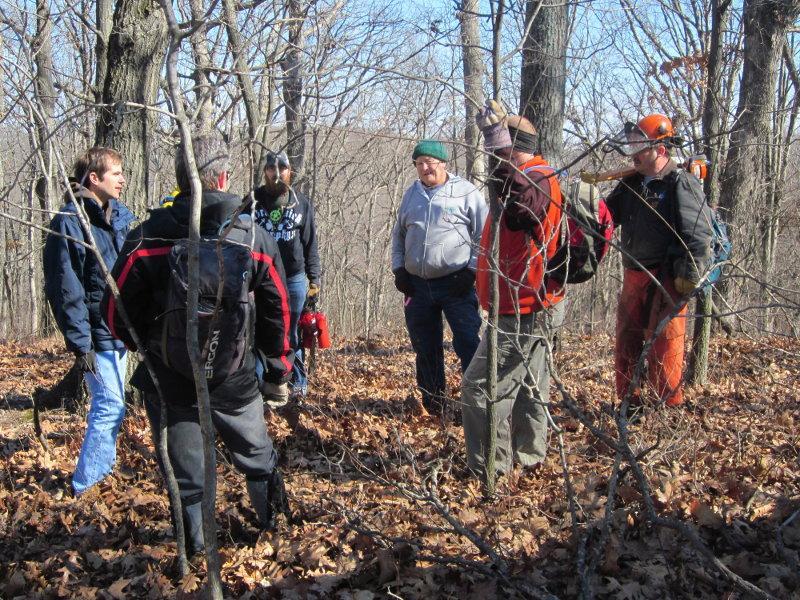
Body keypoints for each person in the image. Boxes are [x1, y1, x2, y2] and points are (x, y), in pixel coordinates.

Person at [102, 135, 294, 556]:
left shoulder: (147, 236)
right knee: (256, 453)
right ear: (223, 177)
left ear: (180, 179)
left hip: (170, 377)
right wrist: (278, 367)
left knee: (189, 473)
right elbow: (279, 308)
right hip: (234, 373)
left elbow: (115, 312)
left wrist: (148, 346)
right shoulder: (253, 237)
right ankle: (276, 530)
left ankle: (198, 552)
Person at [461, 102, 565, 477]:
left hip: (524, 306)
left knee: (479, 390)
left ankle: (490, 470)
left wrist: (499, 149)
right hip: (526, 303)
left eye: (503, 143)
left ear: (514, 144)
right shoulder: (522, 175)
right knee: (529, 387)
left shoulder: (538, 176)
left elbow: (525, 209)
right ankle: (529, 459)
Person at [43, 147, 135, 498]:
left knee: (114, 406)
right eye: (115, 173)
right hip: (96, 337)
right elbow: (66, 289)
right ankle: (86, 485)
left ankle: (100, 474)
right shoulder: (69, 221)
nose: (123, 179)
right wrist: (81, 345)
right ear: (94, 179)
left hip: (121, 332)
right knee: (110, 405)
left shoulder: (123, 217)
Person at [605, 114, 713, 406]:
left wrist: (688, 276)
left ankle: (667, 410)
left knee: (666, 345)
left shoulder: (682, 183)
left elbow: (699, 234)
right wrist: (585, 202)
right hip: (634, 272)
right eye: (634, 146)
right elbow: (606, 217)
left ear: (661, 150)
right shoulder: (631, 183)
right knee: (626, 341)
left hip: (667, 277)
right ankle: (630, 404)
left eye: (641, 147)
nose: (634, 154)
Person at [391, 140, 488, 416]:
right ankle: (434, 404)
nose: (424, 168)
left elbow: (484, 236)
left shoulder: (466, 193)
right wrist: (399, 269)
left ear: (443, 163)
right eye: (419, 163)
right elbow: (398, 235)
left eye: (429, 162)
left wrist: (471, 271)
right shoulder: (411, 195)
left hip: (456, 283)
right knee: (425, 345)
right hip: (417, 286)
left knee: (468, 341)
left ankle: (477, 404)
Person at [251, 151, 321, 400]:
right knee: (261, 331)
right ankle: (260, 384)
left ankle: (298, 383)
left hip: (293, 279)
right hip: (260, 279)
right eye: (271, 167)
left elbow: (310, 243)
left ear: (290, 171)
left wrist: (315, 280)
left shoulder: (301, 203)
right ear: (265, 171)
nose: (277, 172)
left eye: (282, 168)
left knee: (292, 334)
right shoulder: (253, 201)